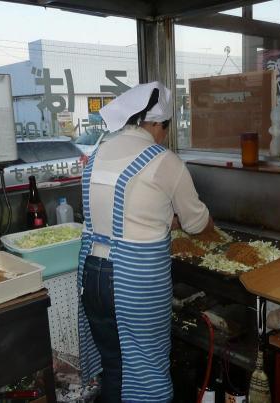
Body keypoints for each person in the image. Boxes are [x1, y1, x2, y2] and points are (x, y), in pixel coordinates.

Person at [77, 81, 213, 402]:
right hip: (133, 281)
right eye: (165, 128)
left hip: (91, 274)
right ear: (156, 124)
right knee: (148, 369)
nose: (164, 136)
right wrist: (199, 224)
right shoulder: (164, 161)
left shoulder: (97, 154)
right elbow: (196, 224)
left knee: (115, 365)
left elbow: (119, 214)